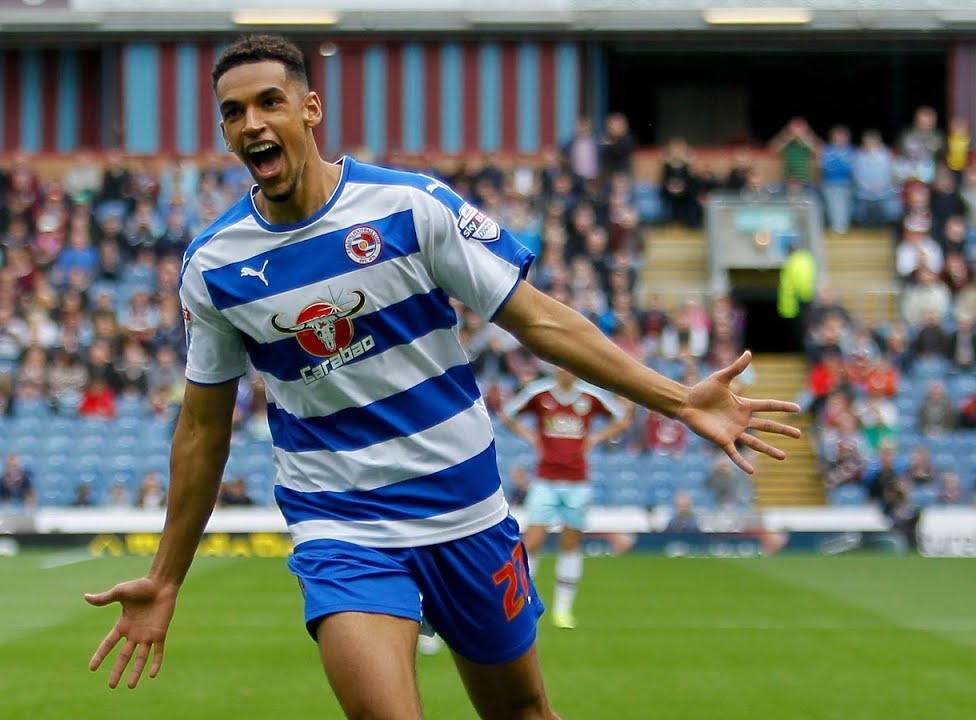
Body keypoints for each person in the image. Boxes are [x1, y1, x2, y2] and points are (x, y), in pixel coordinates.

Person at [84, 34, 801, 720]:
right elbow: (203, 429)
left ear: (310, 110)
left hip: (467, 511)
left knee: (521, 711)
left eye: (269, 102)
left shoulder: (410, 207)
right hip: (342, 523)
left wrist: (676, 400)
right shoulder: (216, 265)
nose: (251, 124)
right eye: (233, 113)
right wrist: (166, 576)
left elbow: (538, 320)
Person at [496, 367, 631, 630]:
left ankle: (563, 609)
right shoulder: (540, 393)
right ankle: (524, 604)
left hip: (577, 481)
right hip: (545, 479)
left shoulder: (589, 396)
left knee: (570, 542)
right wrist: (532, 437)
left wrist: (594, 439)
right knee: (533, 540)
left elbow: (622, 418)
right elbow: (507, 414)